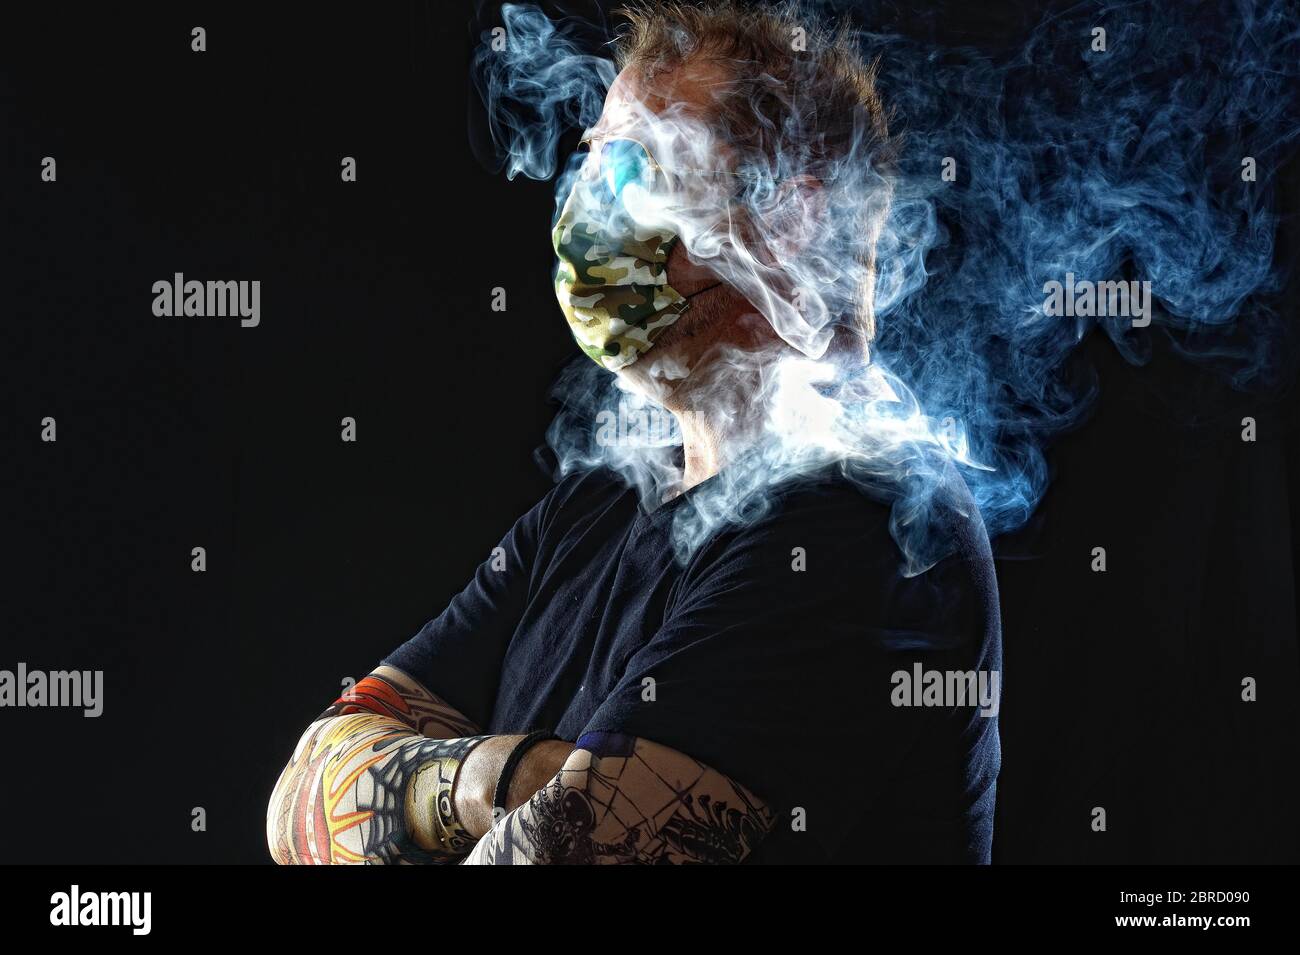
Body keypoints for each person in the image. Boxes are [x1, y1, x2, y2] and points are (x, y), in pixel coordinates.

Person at [267, 0, 1001, 865]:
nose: (589, 216)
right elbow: (295, 807)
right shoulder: (602, 502)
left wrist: (432, 802)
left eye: (644, 167)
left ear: (790, 219)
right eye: (592, 164)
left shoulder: (869, 524)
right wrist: (496, 779)